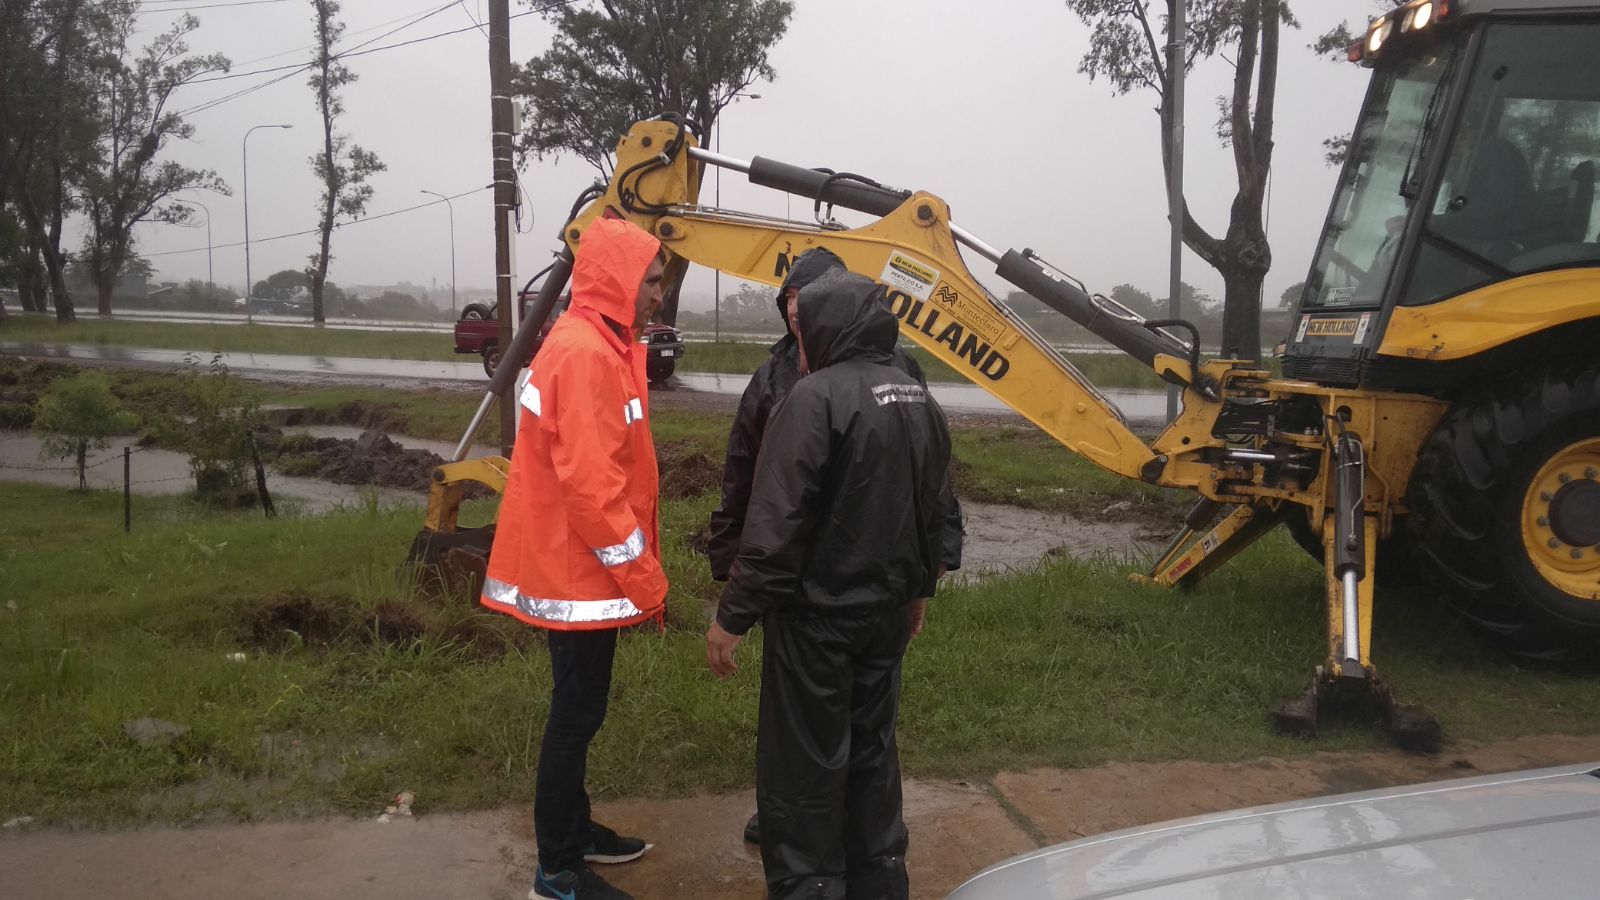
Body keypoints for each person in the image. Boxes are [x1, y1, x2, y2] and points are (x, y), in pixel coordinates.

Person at [706, 269, 959, 900]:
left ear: (828, 329)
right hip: (886, 616)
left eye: (807, 327)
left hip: (816, 620)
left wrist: (732, 615)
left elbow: (775, 522)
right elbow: (936, 506)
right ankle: (880, 879)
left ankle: (809, 884)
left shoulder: (813, 398)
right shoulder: (914, 396)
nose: (801, 339)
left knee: (803, 767)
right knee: (873, 754)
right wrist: (922, 588)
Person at [480, 217, 668, 900]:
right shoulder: (587, 353)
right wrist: (646, 580)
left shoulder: (600, 343)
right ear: (617, 278)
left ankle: (575, 829)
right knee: (575, 713)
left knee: (580, 708)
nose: (658, 293)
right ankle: (557, 870)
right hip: (579, 572)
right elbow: (594, 491)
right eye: (650, 279)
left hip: (583, 568)